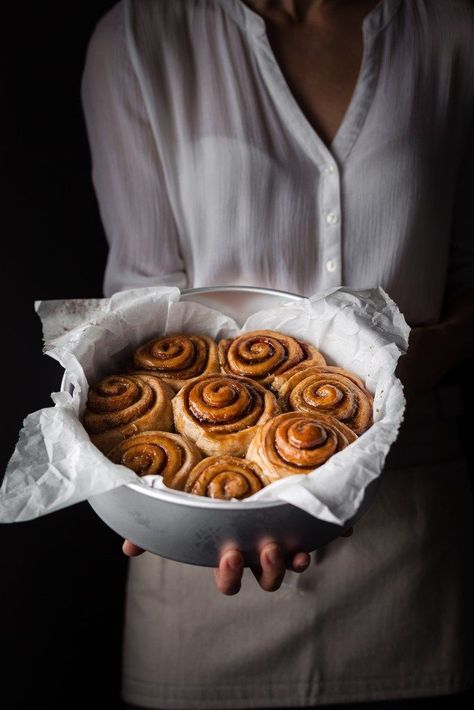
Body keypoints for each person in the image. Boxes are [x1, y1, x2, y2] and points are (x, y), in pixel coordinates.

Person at [81, 0, 474, 708]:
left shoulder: (451, 31)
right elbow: (139, 302)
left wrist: (418, 361)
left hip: (406, 531)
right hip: (202, 531)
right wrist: (152, 496)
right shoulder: (141, 37)